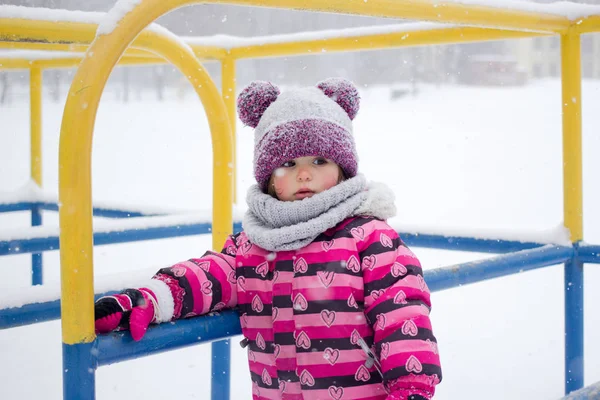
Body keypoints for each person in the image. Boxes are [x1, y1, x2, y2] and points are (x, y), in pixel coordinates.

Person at [94, 78, 442, 400]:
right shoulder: (254, 245)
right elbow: (206, 278)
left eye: (319, 160)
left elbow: (401, 313)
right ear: (269, 179)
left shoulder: (368, 237)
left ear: (342, 169)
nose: (304, 173)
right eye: (288, 163)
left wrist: (411, 387)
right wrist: (152, 299)